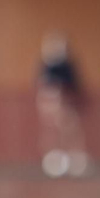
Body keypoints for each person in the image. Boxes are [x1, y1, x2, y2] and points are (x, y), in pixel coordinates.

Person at [36, 32, 86, 177]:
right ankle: (53, 159)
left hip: (68, 104)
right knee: (52, 133)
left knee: (70, 131)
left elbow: (76, 85)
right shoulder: (46, 65)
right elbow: (42, 85)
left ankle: (74, 159)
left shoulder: (69, 66)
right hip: (51, 103)